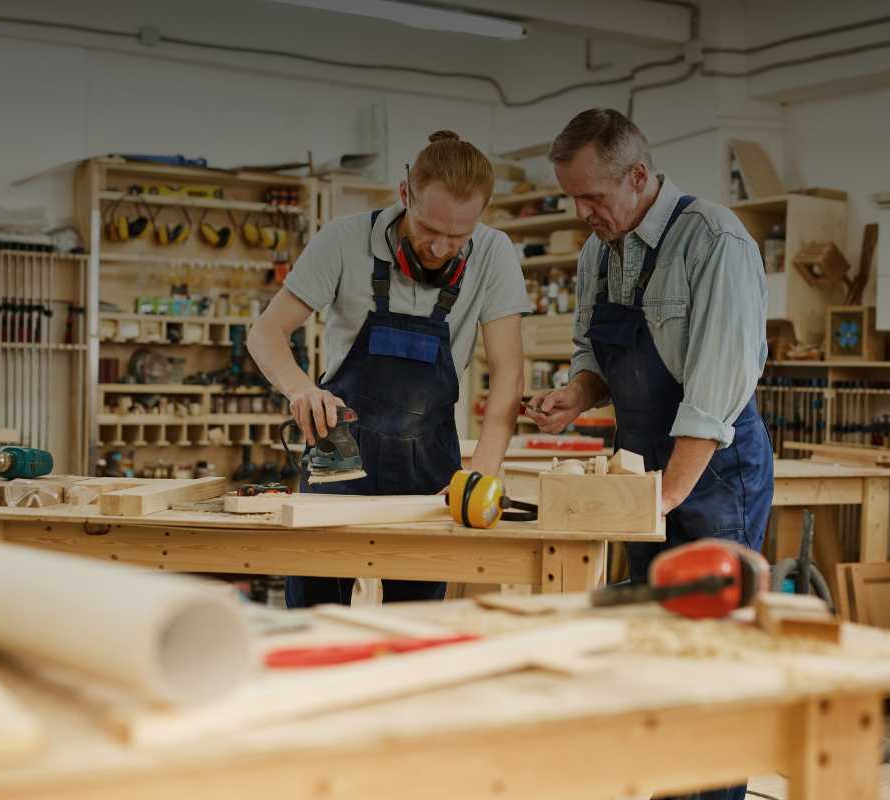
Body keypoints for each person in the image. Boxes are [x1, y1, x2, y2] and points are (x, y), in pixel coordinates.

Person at [528, 108, 772, 800]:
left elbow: (713, 394)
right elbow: (594, 355)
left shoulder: (715, 240)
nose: (582, 213)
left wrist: (664, 498)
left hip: (714, 470)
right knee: (651, 646)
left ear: (638, 176)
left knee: (712, 654)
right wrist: (575, 394)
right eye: (571, 198)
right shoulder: (596, 253)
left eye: (593, 197)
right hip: (640, 465)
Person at [248, 130, 530, 607]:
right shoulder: (343, 240)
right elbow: (265, 333)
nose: (440, 248)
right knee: (316, 626)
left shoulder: (494, 253)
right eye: (429, 230)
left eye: (458, 236)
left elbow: (508, 373)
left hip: (430, 476)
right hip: (340, 460)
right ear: (405, 195)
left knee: (415, 627)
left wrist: (484, 468)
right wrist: (299, 389)